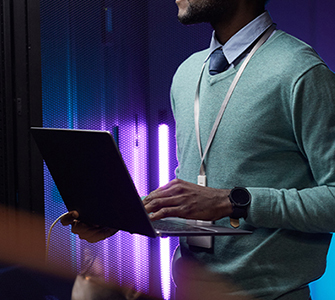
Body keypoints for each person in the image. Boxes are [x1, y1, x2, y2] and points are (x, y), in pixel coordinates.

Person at [63, 0, 335, 299]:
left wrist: (235, 202)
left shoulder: (301, 71)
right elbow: (195, 187)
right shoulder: (188, 73)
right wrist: (121, 215)